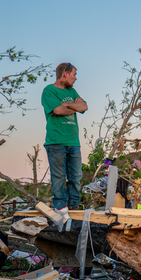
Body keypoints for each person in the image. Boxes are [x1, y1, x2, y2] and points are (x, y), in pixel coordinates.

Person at [41, 62, 88, 210]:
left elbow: (84, 107)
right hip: (56, 142)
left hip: (74, 142)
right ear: (65, 74)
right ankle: (61, 209)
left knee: (76, 178)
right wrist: (74, 107)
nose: (75, 79)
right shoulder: (49, 90)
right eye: (74, 75)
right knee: (59, 178)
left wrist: (66, 106)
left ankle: (74, 208)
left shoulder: (72, 92)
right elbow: (57, 111)